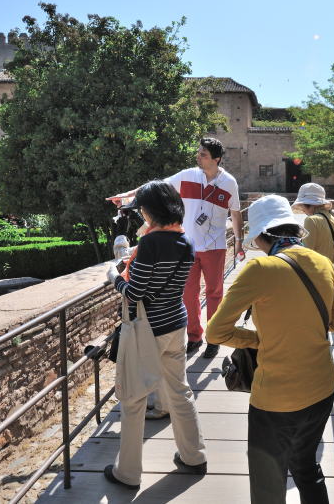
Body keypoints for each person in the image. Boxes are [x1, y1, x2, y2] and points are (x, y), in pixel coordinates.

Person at [206, 195, 334, 504]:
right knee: (306, 467)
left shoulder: (260, 268)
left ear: (261, 235)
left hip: (276, 397)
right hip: (322, 388)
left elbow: (216, 332)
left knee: (268, 485)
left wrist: (259, 339)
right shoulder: (322, 262)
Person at [104, 181, 207, 490]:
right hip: (176, 323)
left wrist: (113, 277)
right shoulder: (185, 241)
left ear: (152, 211)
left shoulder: (150, 244)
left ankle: (129, 472)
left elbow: (135, 292)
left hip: (147, 329)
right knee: (179, 390)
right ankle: (194, 454)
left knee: (134, 399)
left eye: (144, 210)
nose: (142, 216)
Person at [108, 137, 245, 359]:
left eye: (203, 154)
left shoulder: (229, 182)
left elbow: (236, 213)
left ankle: (214, 338)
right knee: (189, 294)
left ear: (217, 159)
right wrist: (128, 196)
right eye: (198, 152)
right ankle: (194, 337)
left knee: (214, 294)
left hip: (215, 246)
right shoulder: (188, 175)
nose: (198, 157)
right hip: (188, 247)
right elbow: (156, 186)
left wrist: (239, 240)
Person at [292, 183, 334, 264]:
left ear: (309, 205)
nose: (302, 209)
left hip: (313, 272)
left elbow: (305, 255)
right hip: (328, 271)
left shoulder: (311, 220)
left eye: (302, 206)